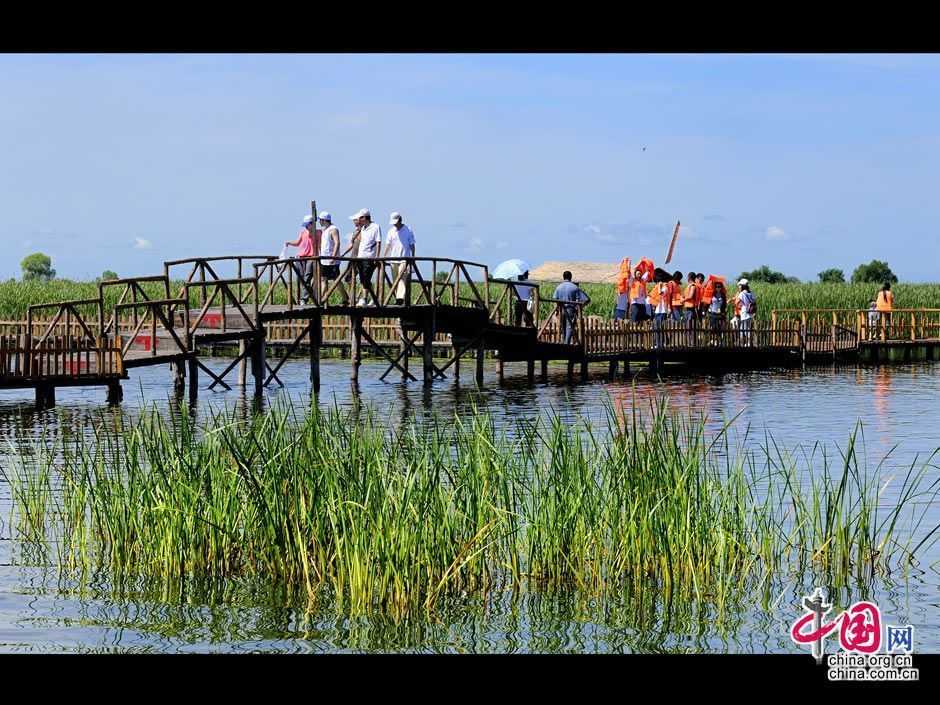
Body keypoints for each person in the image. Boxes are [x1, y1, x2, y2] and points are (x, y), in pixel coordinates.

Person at [284, 214, 318, 305]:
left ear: (312, 224)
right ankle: (308, 294)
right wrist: (289, 243)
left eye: (308, 225)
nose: (306, 227)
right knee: (302, 279)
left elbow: (321, 244)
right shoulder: (303, 232)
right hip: (301, 257)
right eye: (306, 225)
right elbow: (298, 242)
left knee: (307, 277)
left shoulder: (318, 233)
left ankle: (304, 298)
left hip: (312, 257)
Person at [349, 209, 381, 306]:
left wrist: (377, 257)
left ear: (364, 217)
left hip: (369, 257)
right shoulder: (363, 228)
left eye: (360, 218)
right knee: (363, 279)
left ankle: (364, 299)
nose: (358, 220)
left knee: (366, 278)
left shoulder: (375, 227)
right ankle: (374, 299)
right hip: (360, 257)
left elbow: (378, 242)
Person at [383, 212, 416, 305]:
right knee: (395, 280)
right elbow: (388, 245)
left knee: (402, 278)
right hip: (393, 259)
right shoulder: (391, 231)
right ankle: (398, 298)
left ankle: (400, 298)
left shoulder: (408, 230)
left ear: (400, 220)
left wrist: (412, 258)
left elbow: (412, 245)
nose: (394, 224)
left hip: (404, 259)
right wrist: (384, 256)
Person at [553, 271, 590, 344]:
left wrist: (556, 310)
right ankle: (567, 344)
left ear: (563, 277)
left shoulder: (558, 287)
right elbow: (587, 299)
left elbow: (555, 300)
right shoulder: (574, 287)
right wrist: (579, 307)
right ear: (571, 277)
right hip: (570, 309)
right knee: (569, 327)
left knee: (563, 327)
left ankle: (564, 343)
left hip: (561, 309)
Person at [317, 212, 341, 299]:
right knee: (323, 279)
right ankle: (321, 299)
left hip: (332, 260)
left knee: (336, 280)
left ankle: (345, 298)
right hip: (324, 260)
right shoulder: (325, 230)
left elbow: (337, 243)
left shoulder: (333, 229)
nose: (319, 222)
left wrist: (333, 257)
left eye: (320, 220)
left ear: (324, 220)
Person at [648, 271, 672, 349]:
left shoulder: (665, 288)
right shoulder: (658, 287)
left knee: (660, 329)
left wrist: (659, 286)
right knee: (656, 328)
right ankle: (658, 344)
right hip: (658, 310)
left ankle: (660, 344)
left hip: (662, 311)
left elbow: (660, 293)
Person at [735, 278, 756, 346]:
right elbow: (754, 302)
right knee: (747, 327)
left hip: (744, 312)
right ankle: (748, 343)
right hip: (750, 313)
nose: (739, 286)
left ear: (743, 286)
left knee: (743, 328)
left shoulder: (742, 293)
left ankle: (744, 343)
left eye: (740, 285)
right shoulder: (751, 293)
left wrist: (739, 303)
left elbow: (737, 302)